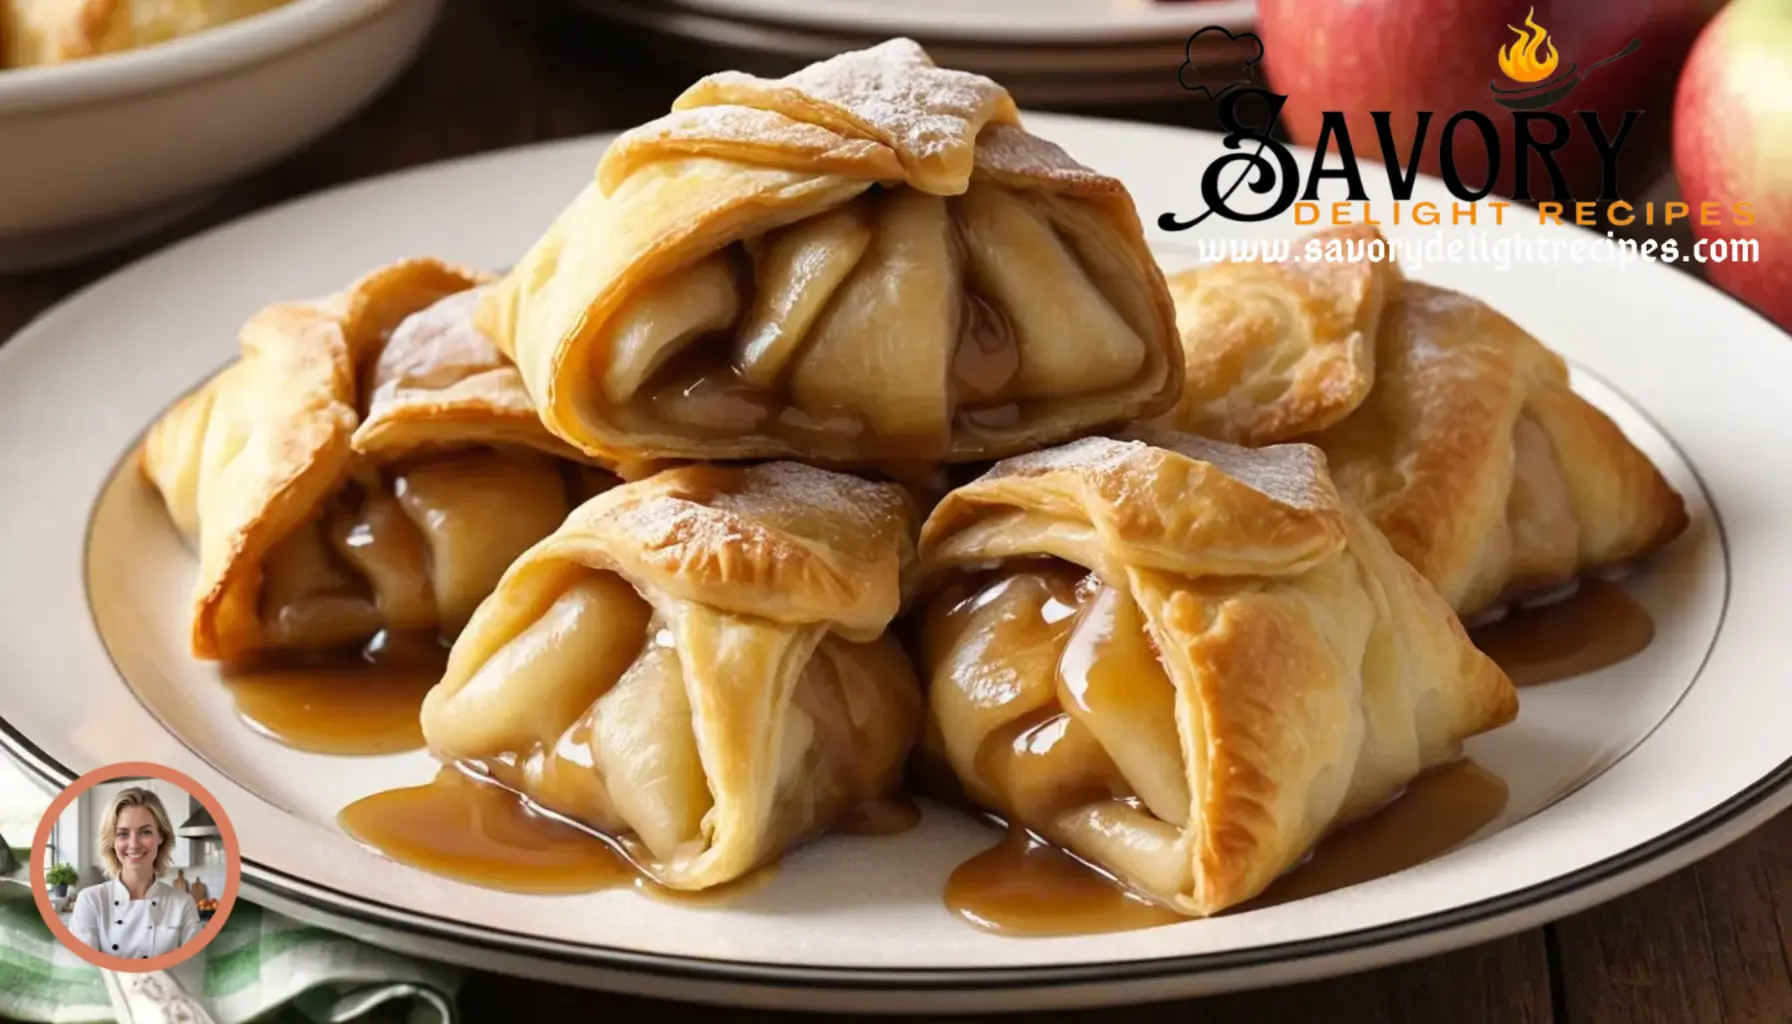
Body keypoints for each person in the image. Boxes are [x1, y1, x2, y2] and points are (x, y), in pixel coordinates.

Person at [67, 787, 202, 960]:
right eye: (122, 834)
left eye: (145, 832)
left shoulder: (183, 905)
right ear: (112, 842)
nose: (134, 844)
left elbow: (192, 969)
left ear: (160, 836)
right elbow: (85, 972)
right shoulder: (91, 901)